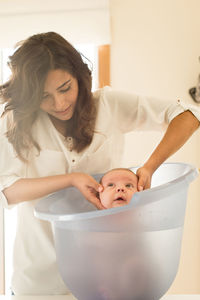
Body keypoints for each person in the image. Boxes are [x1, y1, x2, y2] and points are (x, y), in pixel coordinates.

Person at [0, 31, 199, 295]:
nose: (59, 103)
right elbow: (6, 191)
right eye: (44, 96)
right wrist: (70, 179)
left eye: (65, 88)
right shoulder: (17, 121)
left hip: (104, 277)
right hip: (39, 281)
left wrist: (150, 166)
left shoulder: (108, 105)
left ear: (80, 78)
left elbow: (187, 114)